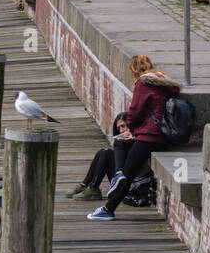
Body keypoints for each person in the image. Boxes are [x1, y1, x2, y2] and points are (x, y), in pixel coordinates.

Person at [88, 54, 180, 220]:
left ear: (133, 70)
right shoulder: (165, 83)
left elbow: (135, 111)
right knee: (121, 143)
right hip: (166, 134)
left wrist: (131, 127)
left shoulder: (143, 83)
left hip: (150, 137)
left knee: (127, 174)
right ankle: (118, 174)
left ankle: (109, 207)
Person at [67, 114, 132, 201]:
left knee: (106, 153)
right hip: (120, 179)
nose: (121, 130)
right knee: (102, 152)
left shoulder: (139, 139)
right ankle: (85, 185)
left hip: (131, 184)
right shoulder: (121, 142)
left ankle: (93, 188)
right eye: (119, 128)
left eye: (123, 126)